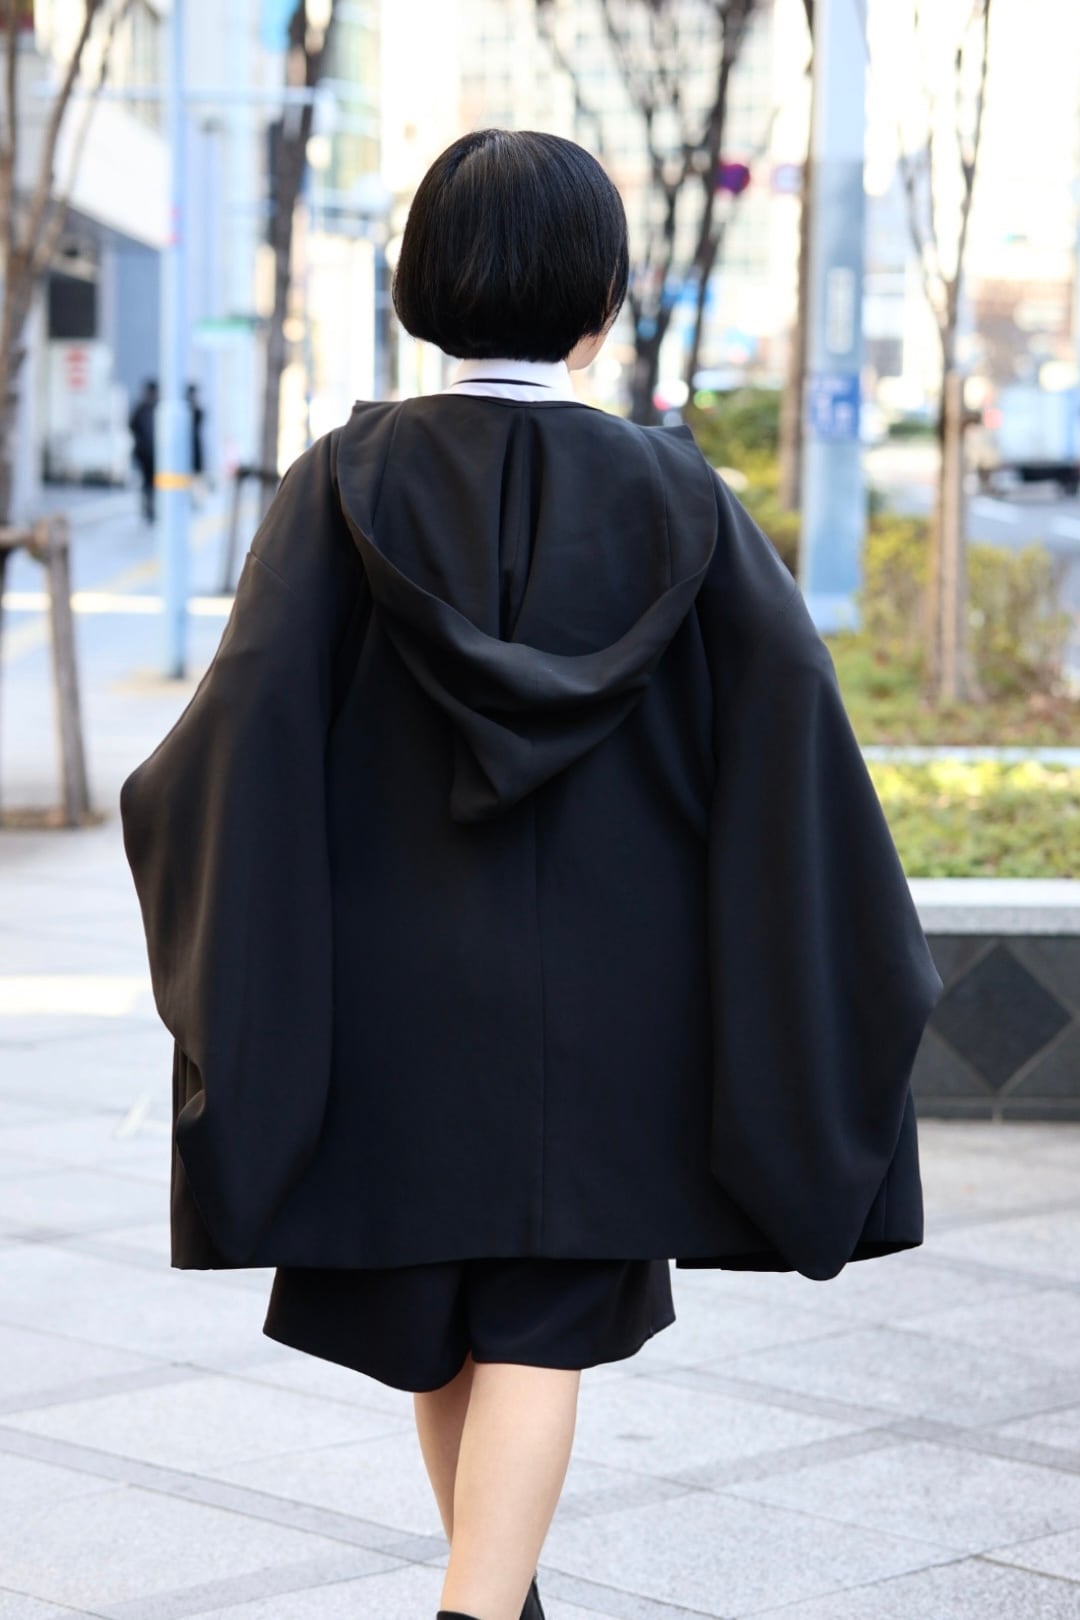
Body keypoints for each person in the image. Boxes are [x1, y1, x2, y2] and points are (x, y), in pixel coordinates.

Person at [119, 130, 942, 1620]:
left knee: (437, 1318)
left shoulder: (338, 488)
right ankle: (487, 1608)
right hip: (613, 1007)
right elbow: (794, 754)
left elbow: (231, 744)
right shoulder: (684, 499)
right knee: (537, 1324)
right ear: (603, 301)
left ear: (420, 281)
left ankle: (484, 1606)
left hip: (392, 997)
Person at [128, 379, 158, 524]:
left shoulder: (142, 407)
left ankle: (149, 510)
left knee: (149, 483)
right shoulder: (154, 407)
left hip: (146, 453)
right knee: (150, 483)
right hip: (149, 454)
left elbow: (131, 425)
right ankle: (149, 510)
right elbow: (131, 426)